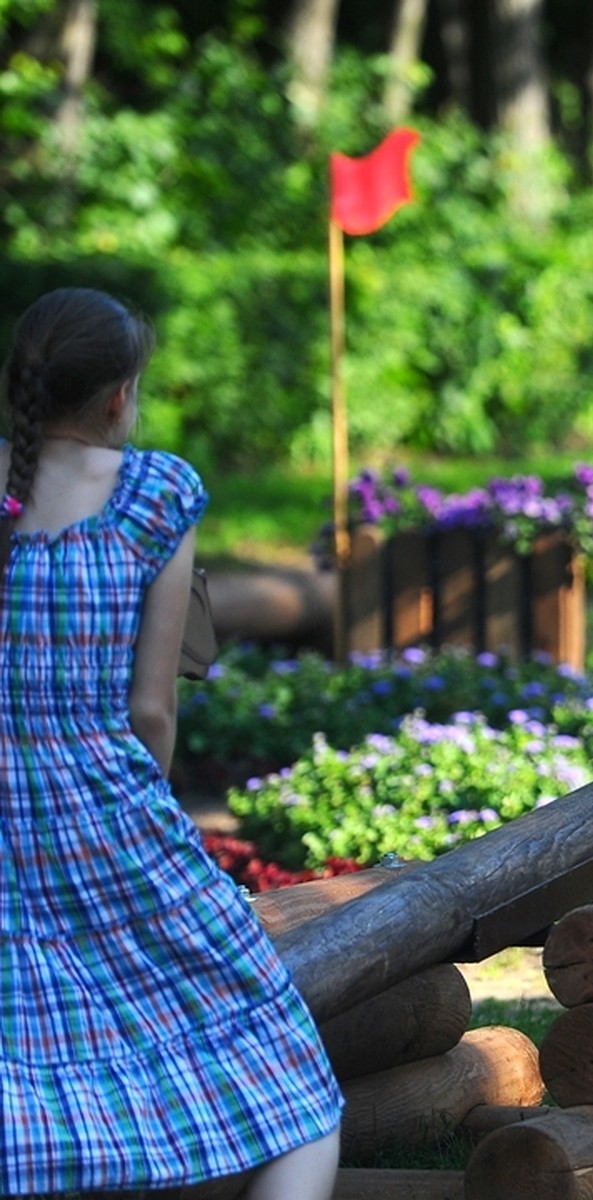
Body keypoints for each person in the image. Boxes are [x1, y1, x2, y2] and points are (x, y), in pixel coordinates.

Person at [0, 288, 343, 1196]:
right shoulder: (152, 494)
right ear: (120, 396)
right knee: (289, 1076)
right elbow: (153, 710)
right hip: (104, 801)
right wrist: (138, 839)